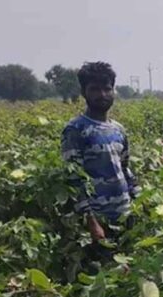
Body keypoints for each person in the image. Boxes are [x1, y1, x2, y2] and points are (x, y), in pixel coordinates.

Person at [61, 62, 140, 251]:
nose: (102, 95)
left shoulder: (118, 129)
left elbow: (125, 169)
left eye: (107, 89)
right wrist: (91, 221)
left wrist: (140, 200)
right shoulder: (76, 130)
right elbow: (73, 180)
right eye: (95, 89)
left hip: (125, 215)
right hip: (98, 220)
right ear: (84, 92)